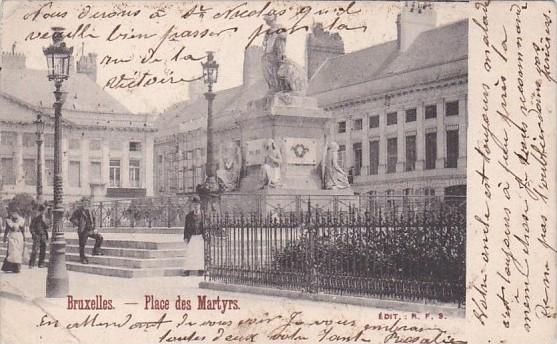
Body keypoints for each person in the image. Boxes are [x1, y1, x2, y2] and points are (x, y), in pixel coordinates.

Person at [70, 197, 103, 264]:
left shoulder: (91, 210)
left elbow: (94, 219)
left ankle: (95, 251)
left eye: (87, 202)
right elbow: (72, 219)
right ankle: (82, 258)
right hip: (83, 230)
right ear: (82, 203)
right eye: (84, 202)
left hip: (90, 229)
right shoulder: (78, 210)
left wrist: (95, 228)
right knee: (82, 244)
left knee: (100, 237)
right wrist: (79, 224)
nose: (86, 204)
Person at [183, 195, 205, 276]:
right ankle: (187, 270)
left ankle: (201, 269)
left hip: (200, 237)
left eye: (197, 204)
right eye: (194, 205)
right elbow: (186, 227)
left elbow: (206, 227)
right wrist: (185, 237)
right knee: (190, 253)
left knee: (200, 253)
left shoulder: (204, 215)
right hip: (191, 236)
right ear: (193, 205)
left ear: (200, 205)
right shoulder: (188, 216)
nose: (196, 206)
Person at [2, 207, 25, 273]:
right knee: (12, 251)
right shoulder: (8, 221)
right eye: (13, 213)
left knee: (18, 252)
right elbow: (6, 230)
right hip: (12, 237)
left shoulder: (21, 220)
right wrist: (4, 238)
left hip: (19, 237)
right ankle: (8, 267)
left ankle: (17, 268)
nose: (14, 214)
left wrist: (24, 239)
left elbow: (23, 230)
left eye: (16, 212)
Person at [29, 204, 49, 268]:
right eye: (42, 211)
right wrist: (34, 234)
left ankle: (41, 264)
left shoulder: (45, 219)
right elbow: (31, 228)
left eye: (44, 211)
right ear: (39, 211)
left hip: (43, 236)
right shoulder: (35, 219)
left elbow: (47, 227)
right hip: (37, 236)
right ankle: (31, 264)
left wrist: (44, 221)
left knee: (43, 250)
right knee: (35, 250)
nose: (43, 212)